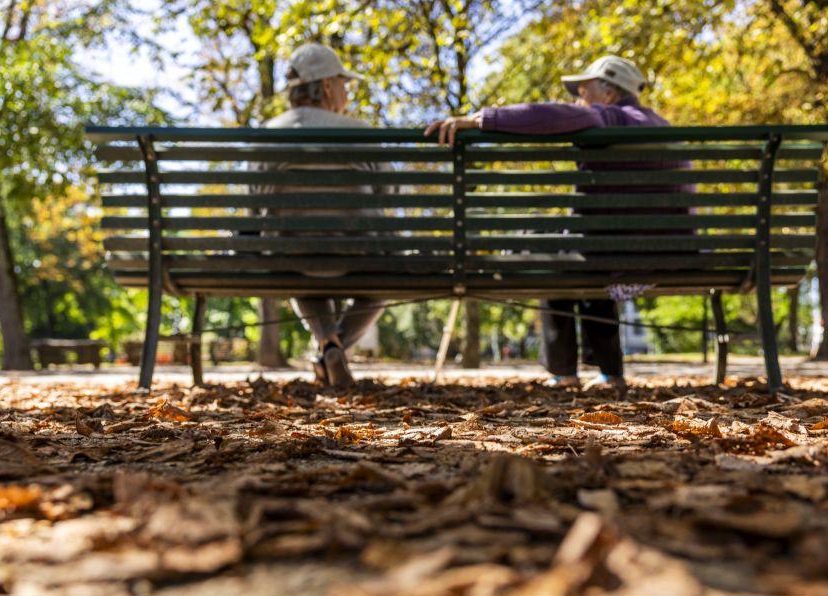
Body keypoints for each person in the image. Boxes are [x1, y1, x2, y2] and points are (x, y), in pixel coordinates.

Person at [426, 56, 684, 394]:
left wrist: (481, 120)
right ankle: (609, 372)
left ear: (608, 93)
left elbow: (564, 114)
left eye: (583, 90)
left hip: (618, 257)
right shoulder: (663, 126)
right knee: (581, 246)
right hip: (670, 256)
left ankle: (563, 372)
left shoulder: (612, 116)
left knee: (552, 251)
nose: (578, 98)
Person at [254, 43, 387, 387]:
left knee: (300, 266)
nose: (347, 91)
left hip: (290, 258)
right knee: (382, 284)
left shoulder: (267, 134)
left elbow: (253, 206)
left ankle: (328, 343)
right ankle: (334, 349)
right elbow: (389, 198)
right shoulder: (362, 132)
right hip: (359, 256)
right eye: (344, 83)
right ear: (327, 85)